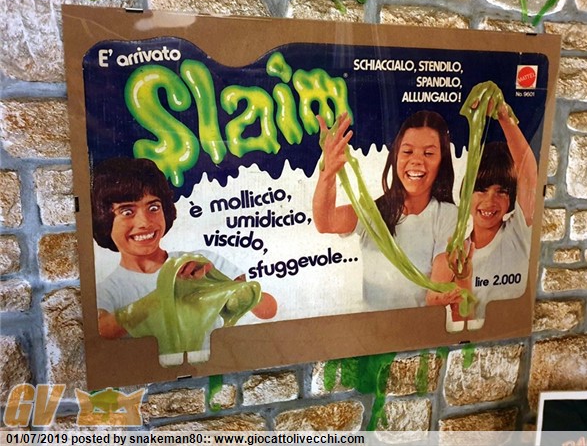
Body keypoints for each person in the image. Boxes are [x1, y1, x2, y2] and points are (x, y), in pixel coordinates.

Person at [92, 158, 275, 358]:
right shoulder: (108, 290)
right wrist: (163, 295)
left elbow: (268, 310)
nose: (144, 222)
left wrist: (220, 282)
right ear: (105, 220)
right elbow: (102, 330)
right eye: (127, 211)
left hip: (211, 370)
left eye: (153, 208)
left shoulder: (201, 262)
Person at [312, 111, 457, 311]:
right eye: (407, 151)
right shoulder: (373, 211)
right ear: (396, 156)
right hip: (372, 326)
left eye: (429, 153)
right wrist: (328, 173)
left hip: (419, 327)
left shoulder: (447, 215)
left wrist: (452, 293)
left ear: (442, 160)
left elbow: (435, 294)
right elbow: (326, 222)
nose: (416, 160)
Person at [427, 100, 537, 330]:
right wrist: (449, 295)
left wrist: (503, 117)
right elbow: (446, 321)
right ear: (466, 193)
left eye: (501, 191)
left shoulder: (518, 233)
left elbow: (528, 171)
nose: (490, 200)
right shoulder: (446, 261)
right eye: (481, 189)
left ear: (512, 198)